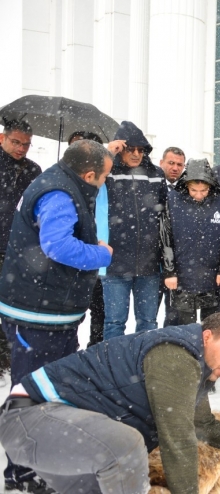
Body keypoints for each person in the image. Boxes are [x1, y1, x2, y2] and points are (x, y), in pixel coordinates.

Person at [0, 312, 220, 494]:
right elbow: (179, 438)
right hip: (31, 418)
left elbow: (203, 424)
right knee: (127, 447)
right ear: (207, 337)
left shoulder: (195, 368)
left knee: (115, 477)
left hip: (68, 437)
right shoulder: (176, 356)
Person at [0, 139, 114, 493]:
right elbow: (57, 246)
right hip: (35, 314)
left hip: (50, 312)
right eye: (104, 177)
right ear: (89, 173)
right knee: (32, 394)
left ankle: (44, 463)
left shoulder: (63, 183)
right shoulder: (60, 195)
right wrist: (100, 253)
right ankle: (22, 473)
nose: (104, 183)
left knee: (52, 392)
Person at [98, 121, 168, 340]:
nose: (137, 154)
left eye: (141, 149)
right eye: (131, 149)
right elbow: (87, 182)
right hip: (115, 262)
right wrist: (107, 154)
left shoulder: (156, 174)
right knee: (114, 322)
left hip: (149, 264)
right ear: (121, 149)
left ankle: (141, 367)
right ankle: (113, 369)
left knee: (148, 322)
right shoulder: (106, 172)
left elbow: (166, 213)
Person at [161, 159, 220, 325]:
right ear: (186, 185)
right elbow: (166, 237)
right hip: (182, 275)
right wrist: (170, 271)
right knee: (184, 328)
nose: (199, 195)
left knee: (212, 327)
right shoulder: (173, 200)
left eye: (204, 190)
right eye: (194, 190)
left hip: (213, 275)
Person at [0, 120, 41, 390]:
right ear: (2, 138)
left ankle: (6, 357)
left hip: (15, 248)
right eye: (16, 142)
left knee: (9, 307)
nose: (21, 148)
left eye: (26, 144)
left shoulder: (33, 170)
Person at [66, 131, 108, 348]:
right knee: (69, 311)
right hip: (72, 260)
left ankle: (94, 350)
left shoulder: (103, 181)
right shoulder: (61, 185)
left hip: (99, 259)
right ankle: (68, 351)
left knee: (99, 311)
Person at [157, 146, 187, 328]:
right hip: (151, 260)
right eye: (171, 163)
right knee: (148, 315)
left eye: (179, 164)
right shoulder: (151, 186)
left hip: (177, 262)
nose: (175, 168)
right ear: (161, 163)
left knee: (174, 314)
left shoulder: (186, 191)